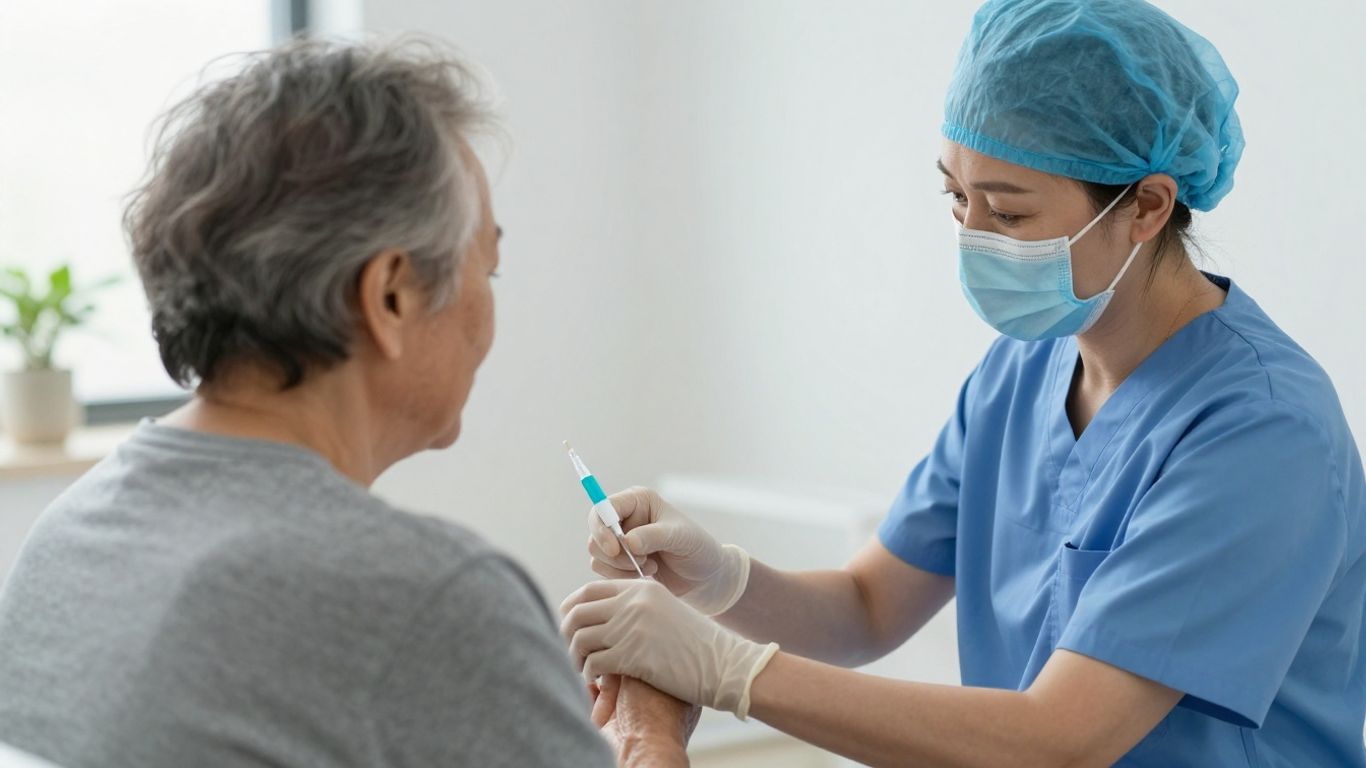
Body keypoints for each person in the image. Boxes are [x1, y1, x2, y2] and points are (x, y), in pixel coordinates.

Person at [561, 0, 1366, 765]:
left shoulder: (1262, 431)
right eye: (955, 198)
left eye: (1009, 215)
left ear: (1149, 206)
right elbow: (866, 607)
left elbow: (1061, 741)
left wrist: (730, 672)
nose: (973, 239)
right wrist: (723, 577)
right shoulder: (1025, 369)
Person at [0, 39, 695, 768]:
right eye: (488, 267)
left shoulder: (67, 537)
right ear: (390, 294)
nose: (491, 309)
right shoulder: (432, 601)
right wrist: (650, 732)